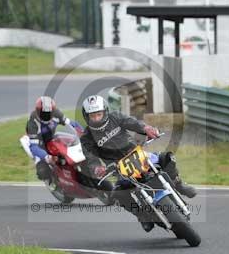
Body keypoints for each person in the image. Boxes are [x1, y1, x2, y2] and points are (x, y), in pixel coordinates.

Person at [79, 95, 196, 232]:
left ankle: (179, 184)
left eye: (99, 114)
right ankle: (141, 215)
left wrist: (146, 129)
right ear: (87, 117)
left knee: (167, 158)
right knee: (118, 194)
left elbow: (132, 123)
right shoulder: (86, 137)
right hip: (117, 167)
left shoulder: (115, 117)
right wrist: (97, 168)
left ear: (105, 111)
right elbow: (90, 157)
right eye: (93, 116)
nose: (97, 118)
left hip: (136, 154)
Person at [20, 96, 83, 181]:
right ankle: (54, 183)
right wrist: (47, 157)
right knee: (42, 172)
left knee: (73, 150)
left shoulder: (57, 113)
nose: (46, 116)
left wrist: (82, 133)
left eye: (49, 113)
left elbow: (71, 123)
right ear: (37, 111)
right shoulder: (33, 121)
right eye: (43, 113)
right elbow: (34, 147)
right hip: (39, 143)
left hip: (52, 138)